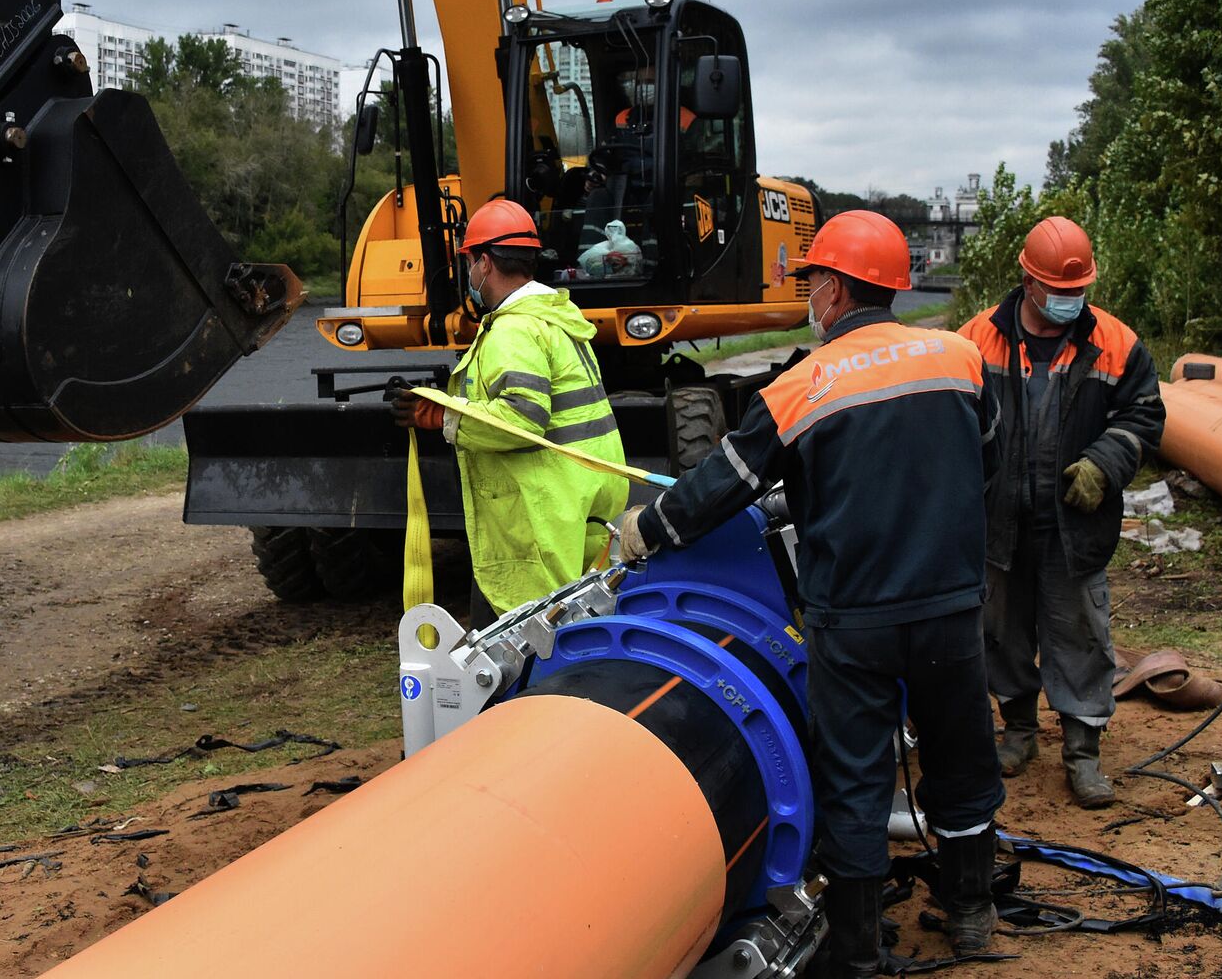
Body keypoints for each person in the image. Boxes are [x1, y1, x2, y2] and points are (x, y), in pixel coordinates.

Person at [616, 210, 1006, 974]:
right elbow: (982, 462)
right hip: (950, 610)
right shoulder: (961, 358)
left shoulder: (801, 387)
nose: (810, 296)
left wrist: (648, 530)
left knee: (855, 779)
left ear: (832, 286)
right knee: (962, 762)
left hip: (853, 621)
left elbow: (720, 488)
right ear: (894, 287)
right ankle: (970, 915)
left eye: (812, 283)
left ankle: (858, 952)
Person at [958, 217, 1164, 809]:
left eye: (1079, 291)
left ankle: (1083, 753)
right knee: (1001, 632)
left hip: (1074, 525)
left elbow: (1144, 417)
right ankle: (1019, 732)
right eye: (1059, 291)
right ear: (1026, 279)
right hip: (999, 521)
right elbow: (949, 414)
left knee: (1080, 636)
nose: (1071, 301)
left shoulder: (1118, 344)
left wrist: (1104, 463)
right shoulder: (976, 339)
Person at [392, 199, 629, 627]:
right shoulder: (558, 320)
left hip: (537, 520)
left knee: (518, 654)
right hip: (577, 504)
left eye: (470, 262)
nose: (470, 273)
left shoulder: (514, 329)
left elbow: (520, 419)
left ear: (484, 263)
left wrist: (444, 418)